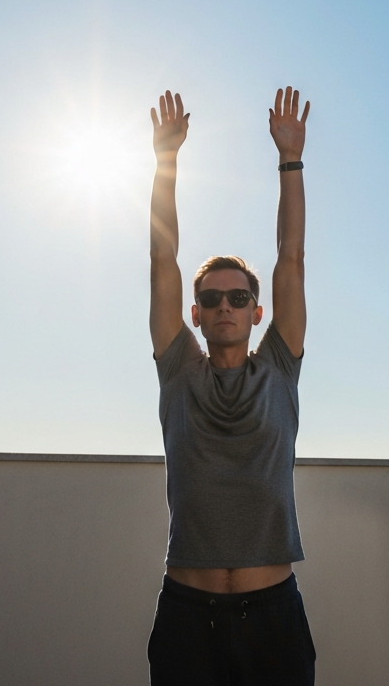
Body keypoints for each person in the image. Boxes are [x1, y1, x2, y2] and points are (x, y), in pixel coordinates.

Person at [147, 86, 315, 686]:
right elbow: (162, 259)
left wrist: (289, 159)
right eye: (211, 298)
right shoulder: (179, 371)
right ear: (195, 314)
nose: (224, 306)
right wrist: (166, 160)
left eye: (238, 298)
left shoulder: (279, 367)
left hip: (273, 615)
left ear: (256, 312)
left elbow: (290, 256)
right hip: (188, 617)